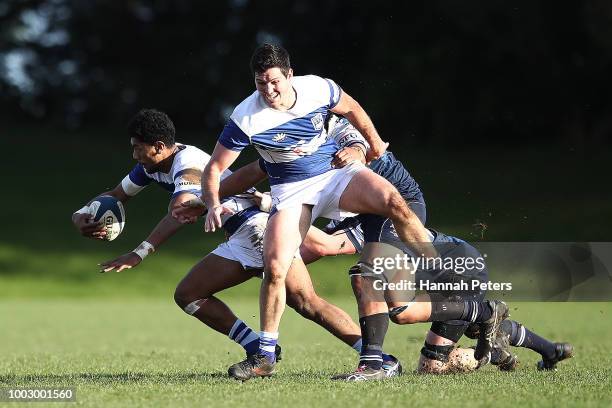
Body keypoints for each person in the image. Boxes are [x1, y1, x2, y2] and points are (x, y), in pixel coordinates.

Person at [72, 108, 402, 378]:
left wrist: (140, 252)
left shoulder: (185, 166)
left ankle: (376, 358)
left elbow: (183, 205)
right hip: (242, 233)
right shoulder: (151, 166)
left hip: (256, 228)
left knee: (305, 301)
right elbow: (116, 195)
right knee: (196, 294)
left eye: (137, 147)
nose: (134, 154)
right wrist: (81, 214)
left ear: (158, 146)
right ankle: (265, 348)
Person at [200, 43, 435, 380]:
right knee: (276, 266)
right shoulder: (246, 117)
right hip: (292, 191)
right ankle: (264, 356)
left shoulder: (317, 87)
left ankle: (437, 267)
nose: (268, 90)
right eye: (260, 83)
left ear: (290, 75)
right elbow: (214, 168)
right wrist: (210, 203)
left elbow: (353, 108)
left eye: (274, 82)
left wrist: (375, 143)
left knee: (394, 201)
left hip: (335, 176)